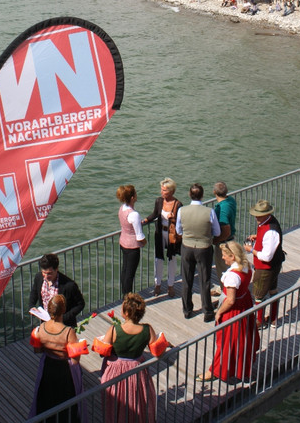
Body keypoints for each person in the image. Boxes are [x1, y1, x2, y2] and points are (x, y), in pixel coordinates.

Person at [197, 241, 259, 383]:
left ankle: (216, 370)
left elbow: (230, 300)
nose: (222, 258)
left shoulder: (232, 276)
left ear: (232, 256)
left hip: (234, 310)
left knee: (226, 342)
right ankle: (239, 366)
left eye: (225, 255)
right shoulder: (246, 266)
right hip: (245, 304)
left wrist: (219, 313)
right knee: (241, 339)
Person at [100, 292, 157, 423]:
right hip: (137, 369)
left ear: (126, 313)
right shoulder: (147, 329)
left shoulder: (115, 329)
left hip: (115, 372)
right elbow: (156, 350)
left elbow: (103, 350)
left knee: (115, 404)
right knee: (137, 401)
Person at [29, 294, 82, 422]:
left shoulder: (40, 328)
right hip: (64, 370)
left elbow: (37, 350)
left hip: (47, 366)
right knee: (65, 401)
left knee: (47, 399)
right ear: (63, 310)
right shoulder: (68, 332)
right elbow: (75, 360)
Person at [176, 183, 221, 321]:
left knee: (187, 280)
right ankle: (207, 312)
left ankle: (187, 310)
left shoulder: (182, 210)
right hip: (204, 248)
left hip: (187, 247)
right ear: (202, 195)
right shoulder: (209, 212)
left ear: (190, 195)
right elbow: (217, 231)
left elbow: (178, 230)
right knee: (205, 280)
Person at [244, 200, 285, 328]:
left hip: (265, 268)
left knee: (258, 295)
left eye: (258, 215)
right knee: (272, 291)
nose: (256, 217)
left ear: (266, 214)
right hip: (274, 265)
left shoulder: (270, 231)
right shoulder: (269, 222)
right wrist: (258, 237)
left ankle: (260, 322)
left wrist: (251, 250)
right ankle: (273, 319)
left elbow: (266, 257)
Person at [143, 178, 183, 297]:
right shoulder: (159, 201)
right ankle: (158, 284)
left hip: (171, 234)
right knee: (158, 259)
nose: (162, 192)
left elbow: (181, 221)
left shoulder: (178, 204)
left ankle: (171, 285)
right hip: (160, 233)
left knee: (172, 259)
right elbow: (155, 214)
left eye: (164, 190)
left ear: (171, 191)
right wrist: (145, 220)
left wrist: (173, 217)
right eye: (161, 189)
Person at [29, 253, 85, 328]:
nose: (46, 277)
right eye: (44, 273)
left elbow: (80, 304)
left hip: (64, 325)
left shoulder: (69, 286)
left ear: (57, 269)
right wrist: (32, 306)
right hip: (46, 322)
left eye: (49, 273)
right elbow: (34, 292)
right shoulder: (38, 278)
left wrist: (63, 318)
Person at [117, 185, 146, 296]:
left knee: (125, 270)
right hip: (132, 247)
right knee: (130, 274)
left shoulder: (122, 209)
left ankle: (125, 294)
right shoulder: (134, 214)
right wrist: (144, 242)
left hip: (123, 242)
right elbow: (139, 236)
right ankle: (128, 297)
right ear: (133, 197)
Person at [211, 181, 237, 297]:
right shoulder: (230, 200)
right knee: (229, 267)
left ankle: (225, 293)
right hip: (231, 240)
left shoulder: (222, 208)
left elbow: (226, 229)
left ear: (215, 192)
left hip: (224, 243)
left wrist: (215, 241)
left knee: (222, 269)